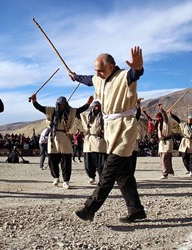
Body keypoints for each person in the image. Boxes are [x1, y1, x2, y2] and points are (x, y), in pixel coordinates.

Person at [69, 46, 146, 223]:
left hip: (124, 129)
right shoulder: (99, 78)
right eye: (96, 71)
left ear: (111, 66)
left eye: (101, 70)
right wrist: (75, 77)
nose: (98, 74)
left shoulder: (124, 77)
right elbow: (88, 80)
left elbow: (135, 74)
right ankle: (136, 210)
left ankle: (89, 209)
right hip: (111, 130)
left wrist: (138, 68)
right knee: (124, 175)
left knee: (108, 173)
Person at [30, 94, 93, 189]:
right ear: (57, 104)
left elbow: (80, 109)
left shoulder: (70, 111)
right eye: (60, 104)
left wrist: (88, 103)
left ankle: (66, 180)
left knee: (66, 159)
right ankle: (56, 177)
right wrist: (34, 101)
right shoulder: (51, 111)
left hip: (64, 136)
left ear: (66, 104)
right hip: (53, 137)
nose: (61, 106)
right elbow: (40, 108)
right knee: (52, 158)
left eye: (63, 104)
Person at [169, 111, 192, 177]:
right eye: (189, 119)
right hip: (185, 141)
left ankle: (191, 171)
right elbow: (177, 120)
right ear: (187, 119)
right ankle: (188, 169)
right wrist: (171, 115)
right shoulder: (184, 124)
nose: (190, 120)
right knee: (184, 156)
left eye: (191, 119)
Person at [80, 100, 107, 185]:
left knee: (101, 162)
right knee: (89, 161)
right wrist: (87, 103)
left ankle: (101, 177)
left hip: (100, 140)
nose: (97, 108)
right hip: (89, 140)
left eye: (99, 106)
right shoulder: (87, 116)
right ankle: (91, 176)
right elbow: (78, 112)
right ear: (92, 107)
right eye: (95, 106)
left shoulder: (104, 116)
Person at [144, 104, 175, 179]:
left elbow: (165, 115)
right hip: (161, 143)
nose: (158, 119)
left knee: (165, 158)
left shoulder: (166, 123)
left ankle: (165, 174)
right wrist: (144, 113)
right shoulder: (158, 124)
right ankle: (169, 171)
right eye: (157, 118)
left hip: (167, 142)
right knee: (163, 158)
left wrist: (161, 109)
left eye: (159, 118)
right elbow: (150, 120)